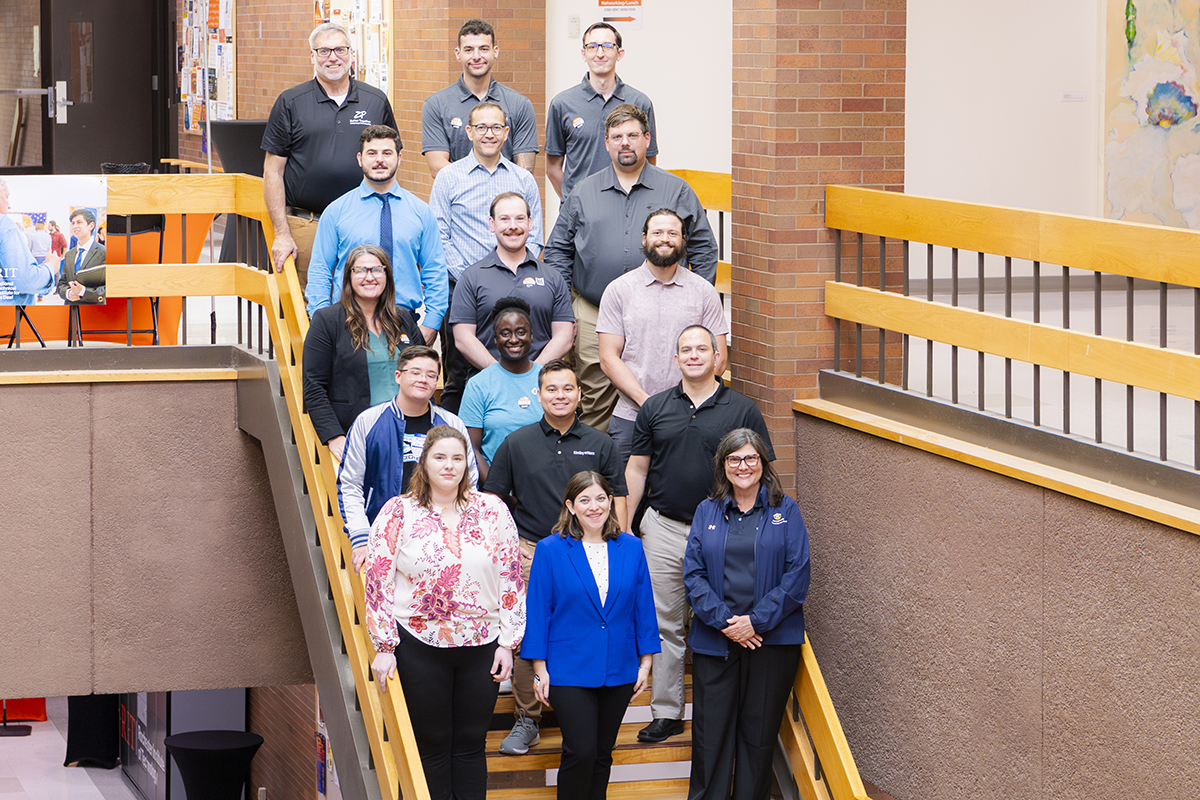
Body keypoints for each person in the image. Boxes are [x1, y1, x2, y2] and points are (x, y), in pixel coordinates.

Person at [624, 325, 774, 744]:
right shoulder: (654, 407)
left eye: (701, 348)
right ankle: (667, 711)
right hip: (664, 527)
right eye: (685, 349)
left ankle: (722, 710)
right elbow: (637, 469)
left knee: (719, 617)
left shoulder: (742, 408)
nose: (693, 355)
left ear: (717, 357)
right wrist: (626, 527)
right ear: (675, 359)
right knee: (666, 624)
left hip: (722, 532)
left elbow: (761, 472)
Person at [366, 425, 524, 800]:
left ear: (467, 463)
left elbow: (511, 577)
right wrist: (385, 646)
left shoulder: (492, 510)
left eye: (457, 458)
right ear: (424, 463)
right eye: (440, 457)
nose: (449, 466)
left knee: (471, 743)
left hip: (482, 642)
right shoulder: (398, 511)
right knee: (433, 743)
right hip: (419, 642)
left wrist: (508, 642)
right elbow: (377, 581)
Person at [484, 360, 628, 755]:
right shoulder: (516, 443)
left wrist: (622, 544)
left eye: (568, 389)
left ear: (580, 394)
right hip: (532, 551)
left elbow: (617, 497)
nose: (560, 396)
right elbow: (494, 500)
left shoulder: (601, 443)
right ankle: (528, 719)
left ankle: (574, 710)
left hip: (592, 550)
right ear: (538, 394)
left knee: (583, 626)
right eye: (552, 389)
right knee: (529, 633)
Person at [543, 104, 717, 430]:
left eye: (633, 135)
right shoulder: (582, 192)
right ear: (606, 142)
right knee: (594, 401)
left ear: (647, 140)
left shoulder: (675, 190)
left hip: (663, 310)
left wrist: (694, 302)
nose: (626, 143)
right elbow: (557, 253)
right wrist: (567, 311)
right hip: (593, 312)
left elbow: (705, 249)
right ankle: (601, 477)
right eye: (617, 136)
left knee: (664, 395)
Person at [684, 428, 811, 800]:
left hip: (770, 644)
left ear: (763, 463)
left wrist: (755, 622)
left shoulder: (785, 510)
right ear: (723, 466)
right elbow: (693, 574)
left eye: (751, 458)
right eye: (735, 459)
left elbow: (797, 574)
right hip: (715, 641)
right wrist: (728, 623)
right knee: (710, 739)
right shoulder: (706, 510)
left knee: (757, 741)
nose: (743, 466)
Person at [523, 471, 660, 799]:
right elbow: (539, 610)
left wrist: (645, 663)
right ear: (571, 506)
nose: (594, 506)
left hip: (619, 666)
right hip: (567, 669)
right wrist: (540, 670)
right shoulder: (550, 549)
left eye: (601, 498)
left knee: (601, 753)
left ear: (611, 501)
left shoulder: (631, 547)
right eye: (584, 500)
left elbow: (643, 607)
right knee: (580, 751)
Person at [262, 22, 397, 284]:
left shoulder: (375, 100)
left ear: (350, 54)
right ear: (312, 56)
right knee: (304, 307)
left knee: (363, 303)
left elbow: (390, 163)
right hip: (306, 225)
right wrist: (282, 233)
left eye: (339, 49)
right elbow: (272, 170)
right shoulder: (290, 102)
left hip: (363, 224)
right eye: (323, 51)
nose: (333, 57)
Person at [430, 103, 545, 411]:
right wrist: (473, 280)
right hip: (462, 291)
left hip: (516, 291)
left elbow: (534, 236)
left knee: (518, 361)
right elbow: (439, 237)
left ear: (506, 133)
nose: (489, 134)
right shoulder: (449, 178)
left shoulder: (523, 180)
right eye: (481, 127)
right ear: (469, 132)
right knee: (461, 375)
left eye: (496, 128)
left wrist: (510, 277)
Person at [597, 208, 729, 464]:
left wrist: (680, 406)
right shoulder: (619, 290)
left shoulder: (703, 292)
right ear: (644, 239)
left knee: (686, 498)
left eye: (673, 233)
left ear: (683, 241)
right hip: (632, 417)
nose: (665, 238)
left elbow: (719, 359)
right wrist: (648, 404)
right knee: (625, 500)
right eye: (657, 232)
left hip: (692, 417)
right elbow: (608, 358)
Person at [338, 345, 478, 573]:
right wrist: (361, 538)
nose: (423, 379)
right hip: (383, 536)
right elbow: (350, 484)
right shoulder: (368, 421)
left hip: (441, 538)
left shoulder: (452, 424)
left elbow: (469, 482)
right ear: (398, 376)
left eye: (431, 375)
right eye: (415, 372)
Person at [304, 125, 446, 346]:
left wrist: (432, 323)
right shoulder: (336, 211)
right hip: (349, 322)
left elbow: (435, 270)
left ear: (399, 158)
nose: (379, 160)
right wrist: (322, 320)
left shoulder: (421, 212)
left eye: (387, 153)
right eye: (372, 153)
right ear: (360, 159)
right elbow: (320, 269)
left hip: (404, 322)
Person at [447, 192, 573, 412]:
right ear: (491, 224)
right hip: (487, 383)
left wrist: (534, 375)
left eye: (519, 219)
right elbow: (463, 338)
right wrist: (501, 375)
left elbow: (564, 336)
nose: (512, 226)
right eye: (504, 219)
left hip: (542, 387)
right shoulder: (471, 277)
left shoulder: (553, 277)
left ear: (531, 223)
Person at [303, 243, 424, 462]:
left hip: (410, 432)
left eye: (377, 269)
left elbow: (424, 369)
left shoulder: (403, 318)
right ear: (348, 276)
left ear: (387, 275)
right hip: (359, 436)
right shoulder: (327, 321)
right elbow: (314, 388)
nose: (370, 277)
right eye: (360, 270)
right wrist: (334, 437)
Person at [545, 22, 657, 199]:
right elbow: (552, 169)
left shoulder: (640, 102)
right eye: (592, 47)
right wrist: (574, 203)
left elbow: (649, 162)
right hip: (580, 215)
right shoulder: (562, 104)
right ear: (584, 54)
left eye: (607, 46)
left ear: (619, 54)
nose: (600, 53)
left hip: (628, 208)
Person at [422, 19, 538, 176]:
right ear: (458, 53)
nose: (476, 56)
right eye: (469, 50)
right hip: (459, 198)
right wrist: (479, 189)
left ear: (495, 51)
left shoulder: (519, 105)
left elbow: (525, 170)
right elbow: (438, 167)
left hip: (506, 197)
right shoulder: (436, 104)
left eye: (483, 49)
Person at [458, 297, 543, 482]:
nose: (514, 340)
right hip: (496, 490)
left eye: (521, 332)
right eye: (505, 333)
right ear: (495, 339)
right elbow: (470, 447)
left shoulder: (548, 379)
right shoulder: (479, 384)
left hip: (546, 486)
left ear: (532, 336)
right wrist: (497, 489)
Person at [0, 179, 54, 305]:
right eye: (6, 197)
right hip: (9, 317)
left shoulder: (30, 235)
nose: (9, 205)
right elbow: (25, 280)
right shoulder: (5, 225)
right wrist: (51, 266)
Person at [58, 209, 106, 305]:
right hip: (71, 309)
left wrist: (83, 291)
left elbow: (107, 288)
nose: (75, 226)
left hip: (93, 310)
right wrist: (68, 293)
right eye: (73, 223)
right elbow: (62, 283)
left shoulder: (103, 252)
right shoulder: (69, 254)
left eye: (79, 222)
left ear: (91, 226)